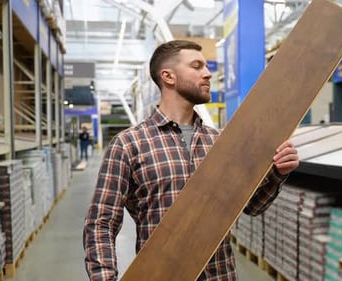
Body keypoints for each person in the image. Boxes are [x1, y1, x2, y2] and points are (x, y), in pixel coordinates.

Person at [83, 40, 299, 281]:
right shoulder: (129, 144)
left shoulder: (220, 142)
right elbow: (101, 223)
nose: (207, 73)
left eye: (206, 66)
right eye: (197, 66)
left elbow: (251, 206)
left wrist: (278, 173)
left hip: (220, 275)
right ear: (168, 77)